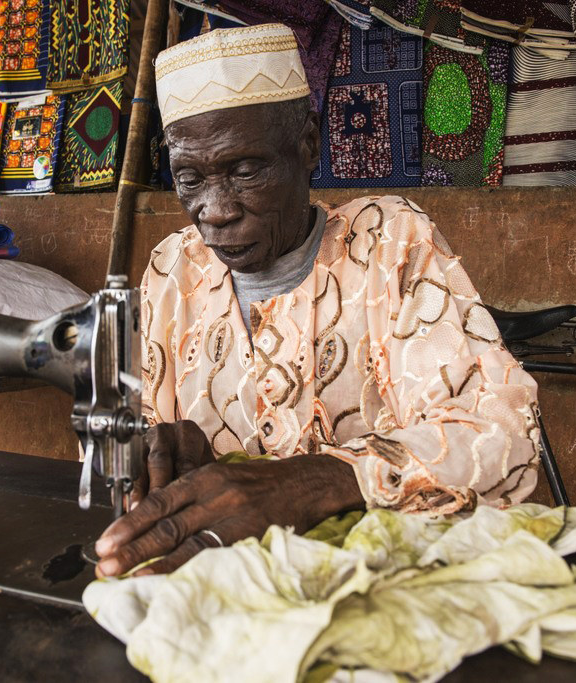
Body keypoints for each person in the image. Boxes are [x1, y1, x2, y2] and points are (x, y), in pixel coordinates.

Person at [94, 23, 540, 578]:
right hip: (228, 583)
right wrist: (163, 453)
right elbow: (123, 433)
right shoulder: (173, 268)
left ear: (307, 146)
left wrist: (314, 481)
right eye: (190, 178)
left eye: (245, 170)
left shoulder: (386, 242)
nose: (215, 209)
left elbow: (501, 431)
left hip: (387, 582)